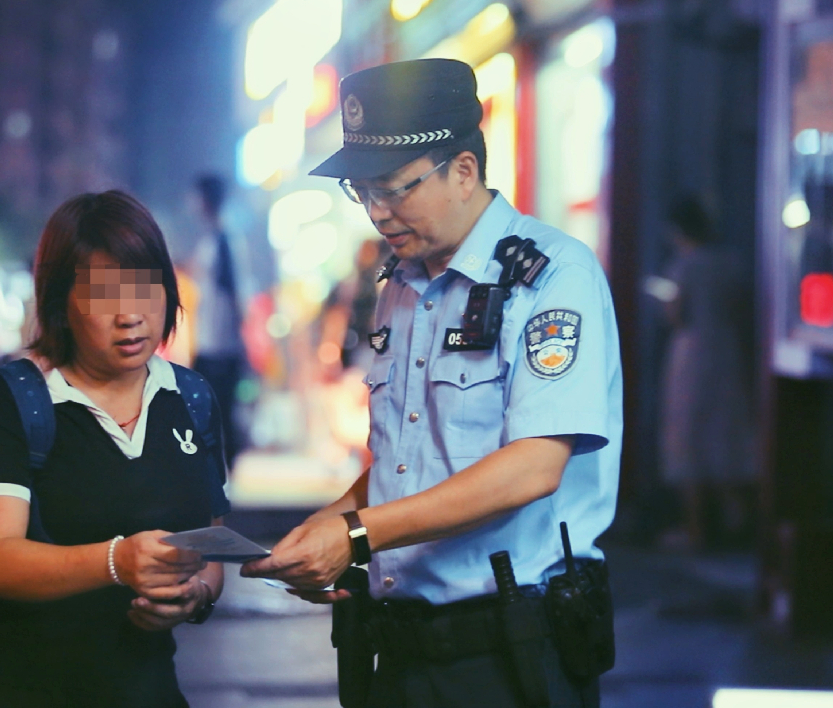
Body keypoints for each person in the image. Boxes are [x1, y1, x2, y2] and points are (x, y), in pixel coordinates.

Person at [242, 59, 622, 707]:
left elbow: (532, 467)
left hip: (510, 647)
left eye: (395, 189)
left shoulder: (553, 276)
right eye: (363, 192)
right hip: (401, 646)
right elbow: (408, 462)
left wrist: (357, 534)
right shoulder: (401, 285)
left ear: (464, 171)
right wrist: (325, 527)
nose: (377, 212)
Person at [0, 190, 229, 708]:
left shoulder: (192, 399)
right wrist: (118, 561)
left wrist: (194, 595)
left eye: (145, 288)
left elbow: (210, 551)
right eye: (103, 296)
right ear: (60, 305)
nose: (130, 316)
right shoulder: (13, 401)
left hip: (146, 691)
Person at [658, 195, 755, 550]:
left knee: (688, 437)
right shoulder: (731, 262)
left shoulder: (683, 266)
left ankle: (695, 528)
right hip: (727, 350)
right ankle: (738, 516)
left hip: (692, 351)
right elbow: (743, 310)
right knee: (725, 433)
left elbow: (675, 313)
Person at [186, 173, 249, 469]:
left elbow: (232, 292)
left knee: (217, 411)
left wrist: (236, 341)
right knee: (212, 410)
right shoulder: (215, 238)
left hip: (219, 345)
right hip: (213, 342)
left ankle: (222, 472)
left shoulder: (223, 240)